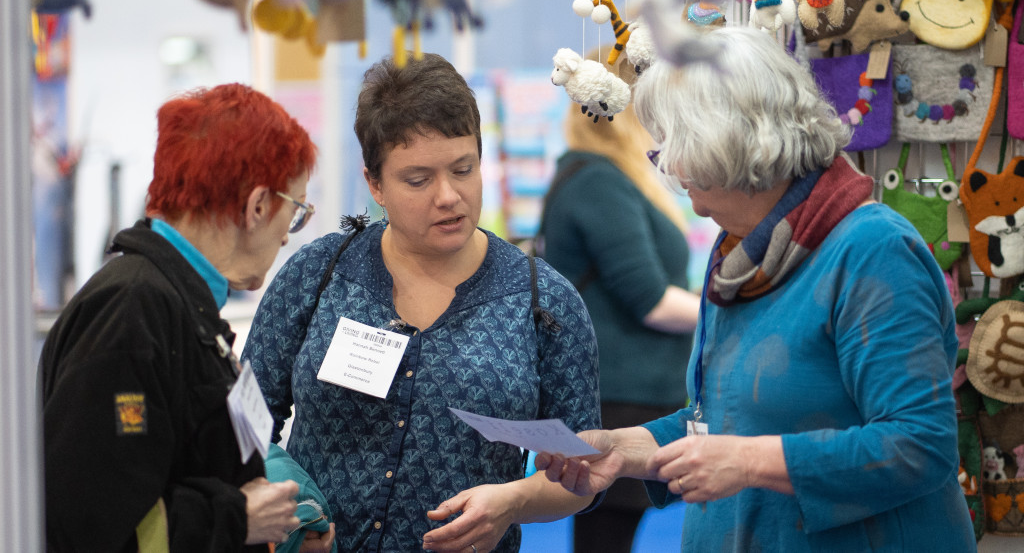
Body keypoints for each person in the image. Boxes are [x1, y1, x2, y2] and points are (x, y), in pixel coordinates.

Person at [536, 26, 975, 551]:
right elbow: (724, 420)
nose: (672, 169)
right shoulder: (743, 253)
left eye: (678, 149)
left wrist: (749, 462)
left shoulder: (871, 252)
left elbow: (919, 447)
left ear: (734, 146)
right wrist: (629, 449)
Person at [241, 53, 602, 553]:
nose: (448, 196)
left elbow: (581, 471)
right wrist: (283, 514)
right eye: (418, 180)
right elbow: (242, 422)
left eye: (463, 169)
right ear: (375, 184)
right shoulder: (319, 274)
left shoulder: (544, 301)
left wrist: (513, 501)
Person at [39, 83, 335, 553]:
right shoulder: (132, 311)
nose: (286, 238)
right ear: (258, 206)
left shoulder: (179, 305)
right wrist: (236, 520)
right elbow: (82, 520)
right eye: (295, 213)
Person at [539, 72, 699, 553]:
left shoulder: (601, 176)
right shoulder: (597, 182)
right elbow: (649, 298)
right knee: (605, 537)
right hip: (621, 396)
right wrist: (735, 308)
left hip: (628, 390)